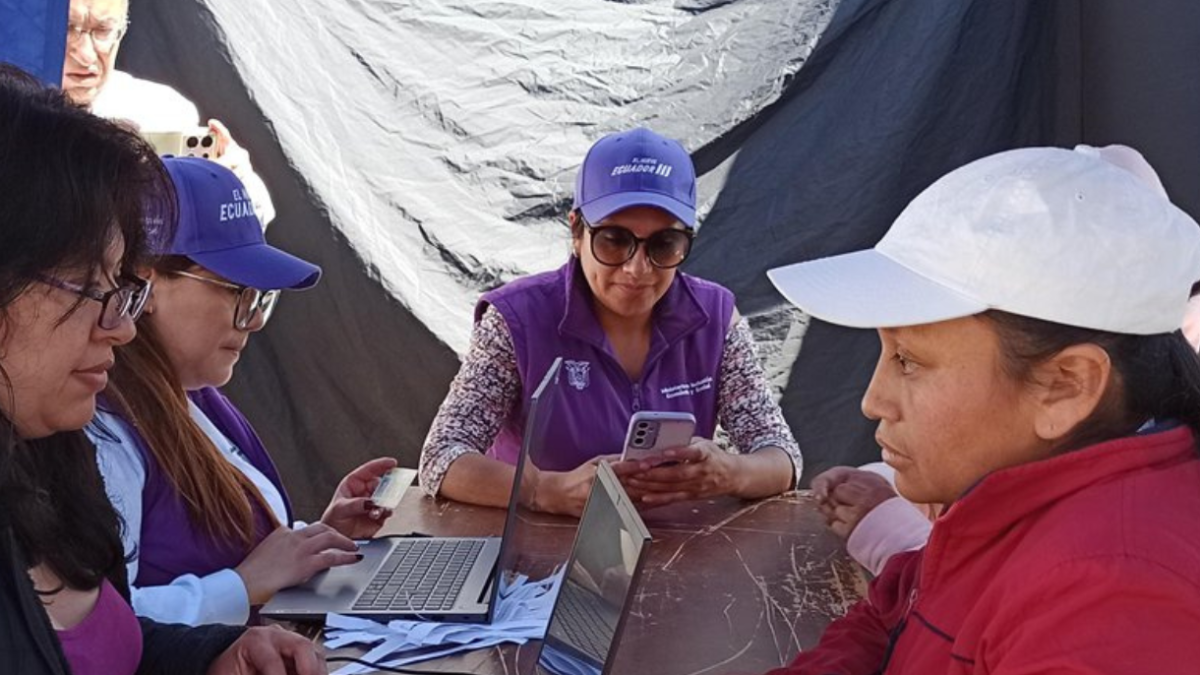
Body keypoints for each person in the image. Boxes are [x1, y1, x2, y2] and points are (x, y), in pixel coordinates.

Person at [764, 144, 1200, 674]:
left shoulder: (1114, 600)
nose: (872, 400)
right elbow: (898, 616)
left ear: (1066, 386)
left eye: (908, 360)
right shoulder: (1008, 497)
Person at [0, 63, 321, 675]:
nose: (122, 326)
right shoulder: (97, 435)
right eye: (93, 289)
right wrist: (237, 592)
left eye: (123, 290)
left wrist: (216, 656)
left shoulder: (56, 456)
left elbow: (112, 646)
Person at [420, 127, 801, 517]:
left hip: (681, 551)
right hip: (538, 555)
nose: (638, 269)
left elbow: (782, 457)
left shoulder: (715, 318)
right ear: (577, 232)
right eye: (614, 240)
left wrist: (731, 472)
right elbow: (441, 457)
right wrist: (543, 490)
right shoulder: (516, 320)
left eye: (663, 244)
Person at [86, 156, 396, 627]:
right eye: (237, 293)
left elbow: (243, 554)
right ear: (145, 283)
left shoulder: (197, 395)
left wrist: (316, 541)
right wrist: (242, 585)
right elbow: (100, 625)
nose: (251, 321)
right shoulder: (105, 429)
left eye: (260, 300)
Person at [61, 0, 276, 227]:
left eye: (103, 31)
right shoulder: (19, 116)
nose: (85, 54)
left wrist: (234, 187)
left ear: (122, 32)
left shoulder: (162, 111)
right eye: (67, 29)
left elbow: (252, 218)